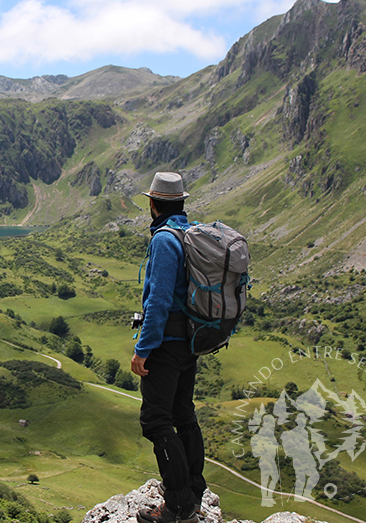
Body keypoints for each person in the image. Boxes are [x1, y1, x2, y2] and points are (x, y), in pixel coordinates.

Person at [131, 172, 205, 523]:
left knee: (155, 420)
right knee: (183, 414)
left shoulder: (164, 239)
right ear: (182, 202)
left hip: (167, 345)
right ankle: (194, 492)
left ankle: (177, 504)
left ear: (153, 204)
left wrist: (143, 349)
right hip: (191, 341)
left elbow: (158, 301)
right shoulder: (192, 233)